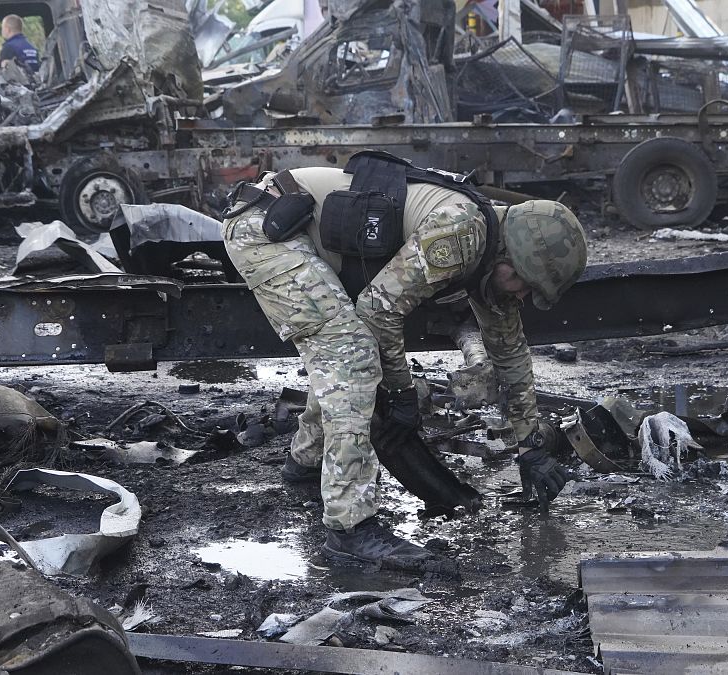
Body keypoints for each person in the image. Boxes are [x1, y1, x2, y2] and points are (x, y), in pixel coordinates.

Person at [221, 153, 587, 571]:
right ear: (510, 257)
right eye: (524, 283)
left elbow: (511, 353)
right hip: (267, 229)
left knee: (347, 352)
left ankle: (304, 467)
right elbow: (378, 311)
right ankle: (350, 529)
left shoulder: (496, 259)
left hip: (291, 227)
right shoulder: (461, 232)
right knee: (353, 355)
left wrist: (531, 447)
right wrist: (400, 390)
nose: (521, 296)